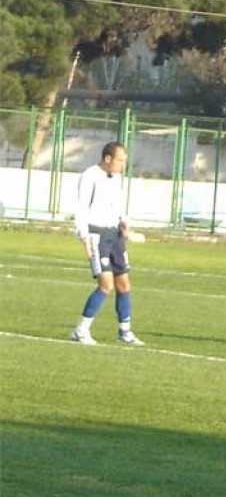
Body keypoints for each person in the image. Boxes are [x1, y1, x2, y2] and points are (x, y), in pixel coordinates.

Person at [70, 142, 145, 346]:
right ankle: (81, 330)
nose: (122, 165)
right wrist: (83, 236)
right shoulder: (90, 175)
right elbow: (82, 207)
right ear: (107, 158)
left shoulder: (117, 178)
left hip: (115, 234)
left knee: (124, 283)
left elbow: (117, 204)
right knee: (106, 284)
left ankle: (125, 332)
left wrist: (125, 222)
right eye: (120, 160)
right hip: (97, 234)